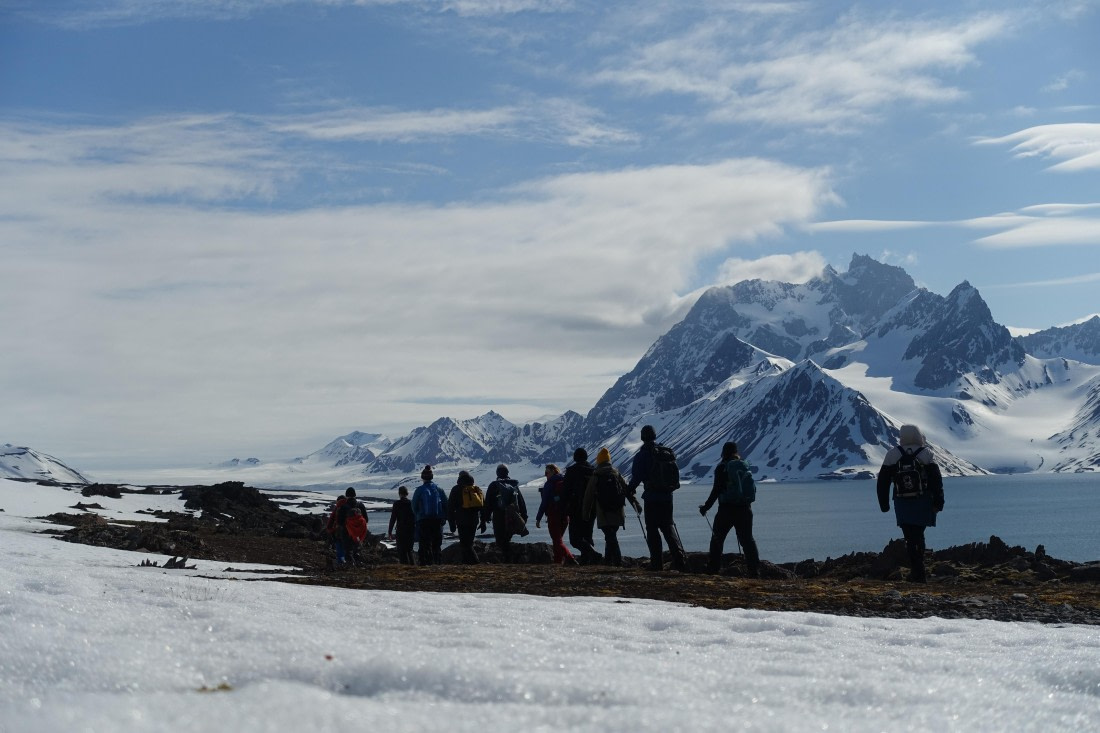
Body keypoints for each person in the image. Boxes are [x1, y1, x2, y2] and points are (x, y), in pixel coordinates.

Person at [876, 424, 945, 583]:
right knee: (919, 534)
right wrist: (938, 502)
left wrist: (884, 505)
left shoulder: (892, 454)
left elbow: (883, 482)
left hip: (902, 503)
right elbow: (936, 481)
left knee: (909, 536)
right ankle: (919, 571)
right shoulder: (926, 454)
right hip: (923, 501)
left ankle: (917, 571)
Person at [627, 425, 688, 571]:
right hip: (667, 496)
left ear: (642, 437)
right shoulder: (665, 452)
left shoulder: (642, 456)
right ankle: (679, 558)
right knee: (668, 526)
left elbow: (637, 477)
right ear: (655, 436)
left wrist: (629, 490)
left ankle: (656, 563)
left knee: (652, 529)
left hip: (651, 497)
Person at [699, 441, 760, 578]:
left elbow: (716, 490)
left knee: (717, 539)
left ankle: (713, 568)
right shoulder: (743, 466)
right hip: (745, 509)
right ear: (736, 452)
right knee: (747, 540)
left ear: (723, 452)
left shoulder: (722, 467)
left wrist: (706, 507)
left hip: (726, 510)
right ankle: (754, 571)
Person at [583, 447, 637, 567]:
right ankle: (608, 561)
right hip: (618, 511)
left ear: (598, 461)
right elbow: (627, 490)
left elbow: (588, 496)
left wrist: (585, 514)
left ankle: (617, 560)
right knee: (611, 535)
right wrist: (636, 505)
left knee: (610, 536)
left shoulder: (596, 475)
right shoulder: (616, 473)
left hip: (603, 512)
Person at [483, 464, 528, 562]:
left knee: (500, 539)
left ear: (497, 473)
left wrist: (486, 517)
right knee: (507, 537)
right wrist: (524, 515)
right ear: (507, 472)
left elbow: (488, 503)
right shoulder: (513, 484)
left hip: (498, 515)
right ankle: (509, 558)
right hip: (512, 514)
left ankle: (508, 558)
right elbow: (520, 501)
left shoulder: (494, 485)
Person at [563, 448, 601, 565]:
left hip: (575, 509)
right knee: (587, 535)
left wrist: (563, 508)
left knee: (574, 539)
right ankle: (587, 560)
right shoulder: (593, 471)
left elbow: (565, 492)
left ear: (575, 458)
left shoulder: (571, 471)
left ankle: (593, 554)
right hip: (592, 508)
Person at [535, 464, 577, 565]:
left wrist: (538, 518)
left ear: (553, 471)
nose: (545, 475)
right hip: (565, 516)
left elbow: (544, 503)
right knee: (557, 540)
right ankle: (557, 562)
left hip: (553, 515)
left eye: (547, 472)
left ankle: (570, 559)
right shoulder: (565, 481)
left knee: (557, 541)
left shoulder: (549, 484)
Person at [447, 470, 487, 565]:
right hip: (474, 520)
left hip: (461, 520)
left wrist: (451, 523)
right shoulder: (476, 489)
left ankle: (475, 562)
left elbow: (450, 507)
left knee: (465, 544)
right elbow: (483, 506)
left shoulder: (456, 489)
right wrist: (483, 522)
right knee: (469, 542)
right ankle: (466, 563)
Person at [412, 465, 448, 566]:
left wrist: (417, 517)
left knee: (424, 543)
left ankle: (425, 563)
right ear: (432, 477)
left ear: (422, 477)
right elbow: (446, 504)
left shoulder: (419, 490)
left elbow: (414, 506)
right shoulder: (439, 489)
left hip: (423, 520)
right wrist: (444, 517)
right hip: (437, 520)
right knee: (437, 543)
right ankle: (437, 562)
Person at [334, 487, 368, 568]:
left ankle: (350, 566)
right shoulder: (360, 505)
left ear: (346, 496)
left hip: (347, 533)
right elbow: (366, 519)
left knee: (348, 551)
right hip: (359, 534)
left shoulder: (343, 507)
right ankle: (359, 565)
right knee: (357, 550)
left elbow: (339, 521)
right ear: (355, 495)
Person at [387, 485, 416, 565]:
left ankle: (405, 567)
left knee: (402, 551)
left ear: (399, 493)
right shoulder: (411, 503)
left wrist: (390, 531)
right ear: (407, 493)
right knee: (409, 550)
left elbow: (393, 518)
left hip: (401, 530)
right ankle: (413, 567)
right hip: (411, 530)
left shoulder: (397, 504)